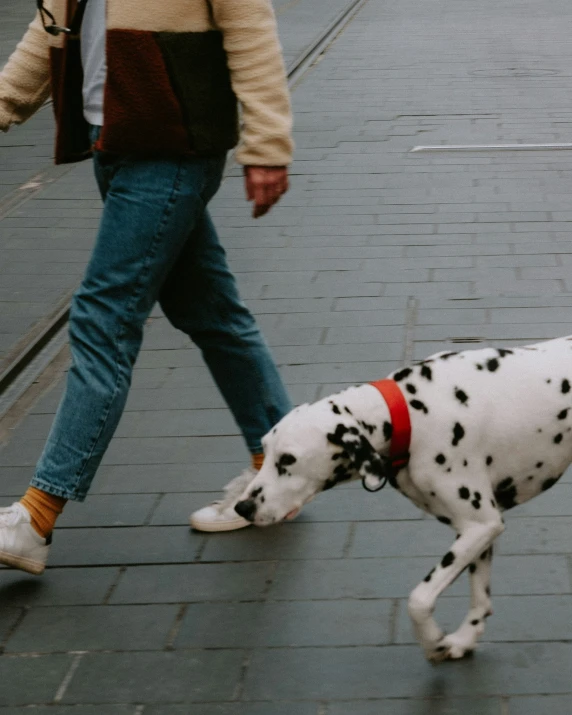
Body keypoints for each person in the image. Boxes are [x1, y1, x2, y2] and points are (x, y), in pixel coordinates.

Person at [0, 0, 294, 576]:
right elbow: (51, 28)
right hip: (113, 142)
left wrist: (267, 146)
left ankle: (36, 517)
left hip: (171, 147)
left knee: (101, 317)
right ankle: (281, 467)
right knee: (212, 312)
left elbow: (250, 27)